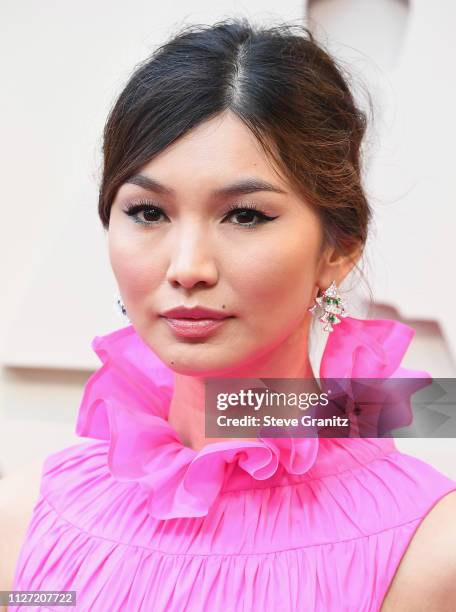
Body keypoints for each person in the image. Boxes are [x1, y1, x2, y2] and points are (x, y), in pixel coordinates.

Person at [1, 17, 455, 612]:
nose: (188, 267)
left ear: (339, 249)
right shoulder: (25, 520)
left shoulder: (428, 550)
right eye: (146, 212)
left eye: (244, 215)